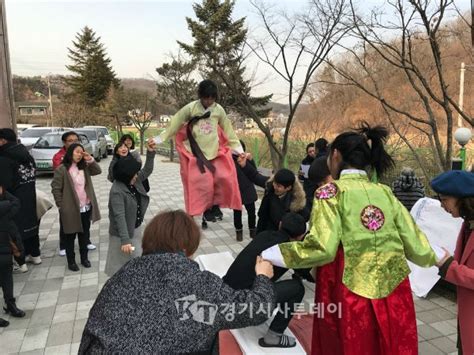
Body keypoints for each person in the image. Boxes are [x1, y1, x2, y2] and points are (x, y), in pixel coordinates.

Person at [262, 123, 437, 355]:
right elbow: (417, 247)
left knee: (351, 345)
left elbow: (322, 248)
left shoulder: (329, 193)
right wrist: (438, 259)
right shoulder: (384, 192)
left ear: (335, 155)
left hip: (348, 289)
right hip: (394, 290)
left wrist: (275, 253)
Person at [79, 210, 276, 354]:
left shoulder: (121, 277)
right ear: (187, 248)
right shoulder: (199, 286)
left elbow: (91, 332)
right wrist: (263, 276)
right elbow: (257, 309)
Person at [155, 79, 243, 219]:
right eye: (206, 98)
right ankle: (200, 209)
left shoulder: (218, 109)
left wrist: (240, 150)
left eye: (212, 98)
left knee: (224, 176)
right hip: (195, 153)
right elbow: (175, 123)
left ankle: (215, 206)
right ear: (200, 96)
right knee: (202, 182)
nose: (209, 101)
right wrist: (159, 139)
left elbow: (228, 129)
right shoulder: (191, 108)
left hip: (214, 152)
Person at [224, 212, 313, 348]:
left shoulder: (264, 235)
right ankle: (273, 336)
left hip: (224, 293)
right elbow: (308, 275)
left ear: (280, 224)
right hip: (243, 308)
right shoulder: (289, 251)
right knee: (297, 288)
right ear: (301, 236)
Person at [431, 170, 474, 355]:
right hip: (466, 318)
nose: (442, 205)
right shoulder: (467, 224)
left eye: (444, 199)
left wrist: (449, 266)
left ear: (462, 198)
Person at [105, 138, 156, 276]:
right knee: (118, 266)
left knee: (135, 261)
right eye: (134, 174)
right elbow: (119, 216)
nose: (137, 176)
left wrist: (150, 153)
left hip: (135, 227)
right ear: (126, 175)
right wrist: (125, 240)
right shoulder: (117, 191)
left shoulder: (133, 180)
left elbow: (147, 170)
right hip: (122, 234)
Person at [51, 143, 101, 271]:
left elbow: (98, 171)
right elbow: (56, 188)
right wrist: (61, 206)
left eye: (81, 152)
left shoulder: (84, 167)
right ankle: (71, 261)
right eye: (77, 152)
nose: (79, 154)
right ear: (70, 153)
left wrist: (89, 159)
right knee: (70, 236)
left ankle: (84, 259)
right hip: (70, 209)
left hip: (85, 207)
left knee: (84, 235)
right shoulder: (62, 169)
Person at [237, 156, 308, 234]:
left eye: (279, 186)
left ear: (288, 188)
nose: (275, 187)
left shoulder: (296, 203)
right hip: (264, 228)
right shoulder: (270, 185)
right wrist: (244, 165)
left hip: (280, 235)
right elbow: (255, 176)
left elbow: (304, 218)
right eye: (275, 183)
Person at [0, 128, 38, 273]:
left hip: (13, 200)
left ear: (3, 140)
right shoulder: (26, 154)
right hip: (29, 194)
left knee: (14, 230)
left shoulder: (4, 158)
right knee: (31, 222)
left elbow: (5, 184)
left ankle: (21, 262)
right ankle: (35, 255)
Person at [0, 157, 25, 325]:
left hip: (6, 242)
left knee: (7, 277)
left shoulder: (2, 190)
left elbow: (16, 202)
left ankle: (10, 304)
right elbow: (10, 204)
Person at [232, 140, 258, 241]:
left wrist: (251, 160)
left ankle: (252, 230)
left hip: (248, 189)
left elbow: (254, 172)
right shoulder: (230, 160)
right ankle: (239, 232)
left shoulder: (246, 159)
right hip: (236, 190)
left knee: (251, 211)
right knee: (237, 213)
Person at [299, 143, 317, 211]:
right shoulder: (304, 161)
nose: (312, 153)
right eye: (310, 152)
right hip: (308, 187)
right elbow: (301, 177)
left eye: (313, 151)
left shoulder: (320, 159)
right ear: (307, 153)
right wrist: (301, 174)